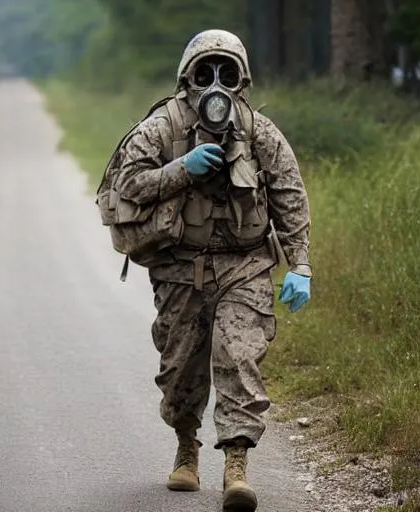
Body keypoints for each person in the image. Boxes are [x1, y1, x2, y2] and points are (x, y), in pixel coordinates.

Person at [98, 29, 312, 512]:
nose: (216, 83)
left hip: (245, 265)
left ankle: (236, 466)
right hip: (180, 269)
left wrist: (301, 264)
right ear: (186, 79)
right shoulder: (160, 128)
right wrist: (184, 169)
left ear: (242, 81)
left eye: (227, 72)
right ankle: (186, 448)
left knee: (238, 357)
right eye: (204, 72)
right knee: (180, 372)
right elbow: (127, 186)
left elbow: (290, 198)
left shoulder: (259, 132)